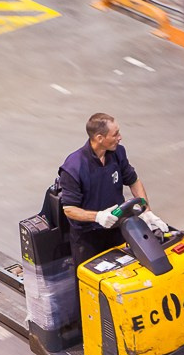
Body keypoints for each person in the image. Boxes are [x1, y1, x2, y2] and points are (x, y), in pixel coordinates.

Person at [59, 113, 168, 266]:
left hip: (118, 228)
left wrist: (147, 211)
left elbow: (134, 181)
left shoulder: (118, 153)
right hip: (89, 237)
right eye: (115, 134)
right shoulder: (74, 167)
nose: (120, 137)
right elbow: (69, 209)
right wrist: (98, 217)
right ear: (99, 138)